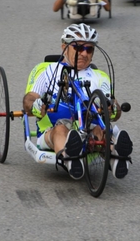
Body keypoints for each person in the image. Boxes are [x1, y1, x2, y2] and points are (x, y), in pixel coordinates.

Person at [23, 23, 133, 180]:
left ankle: (116, 158)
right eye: (79, 47)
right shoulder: (46, 71)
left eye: (89, 49)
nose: (84, 53)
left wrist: (111, 108)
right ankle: (70, 159)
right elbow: (29, 98)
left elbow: (113, 105)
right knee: (61, 130)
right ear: (64, 47)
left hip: (89, 128)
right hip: (52, 129)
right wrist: (36, 106)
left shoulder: (99, 76)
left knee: (100, 131)